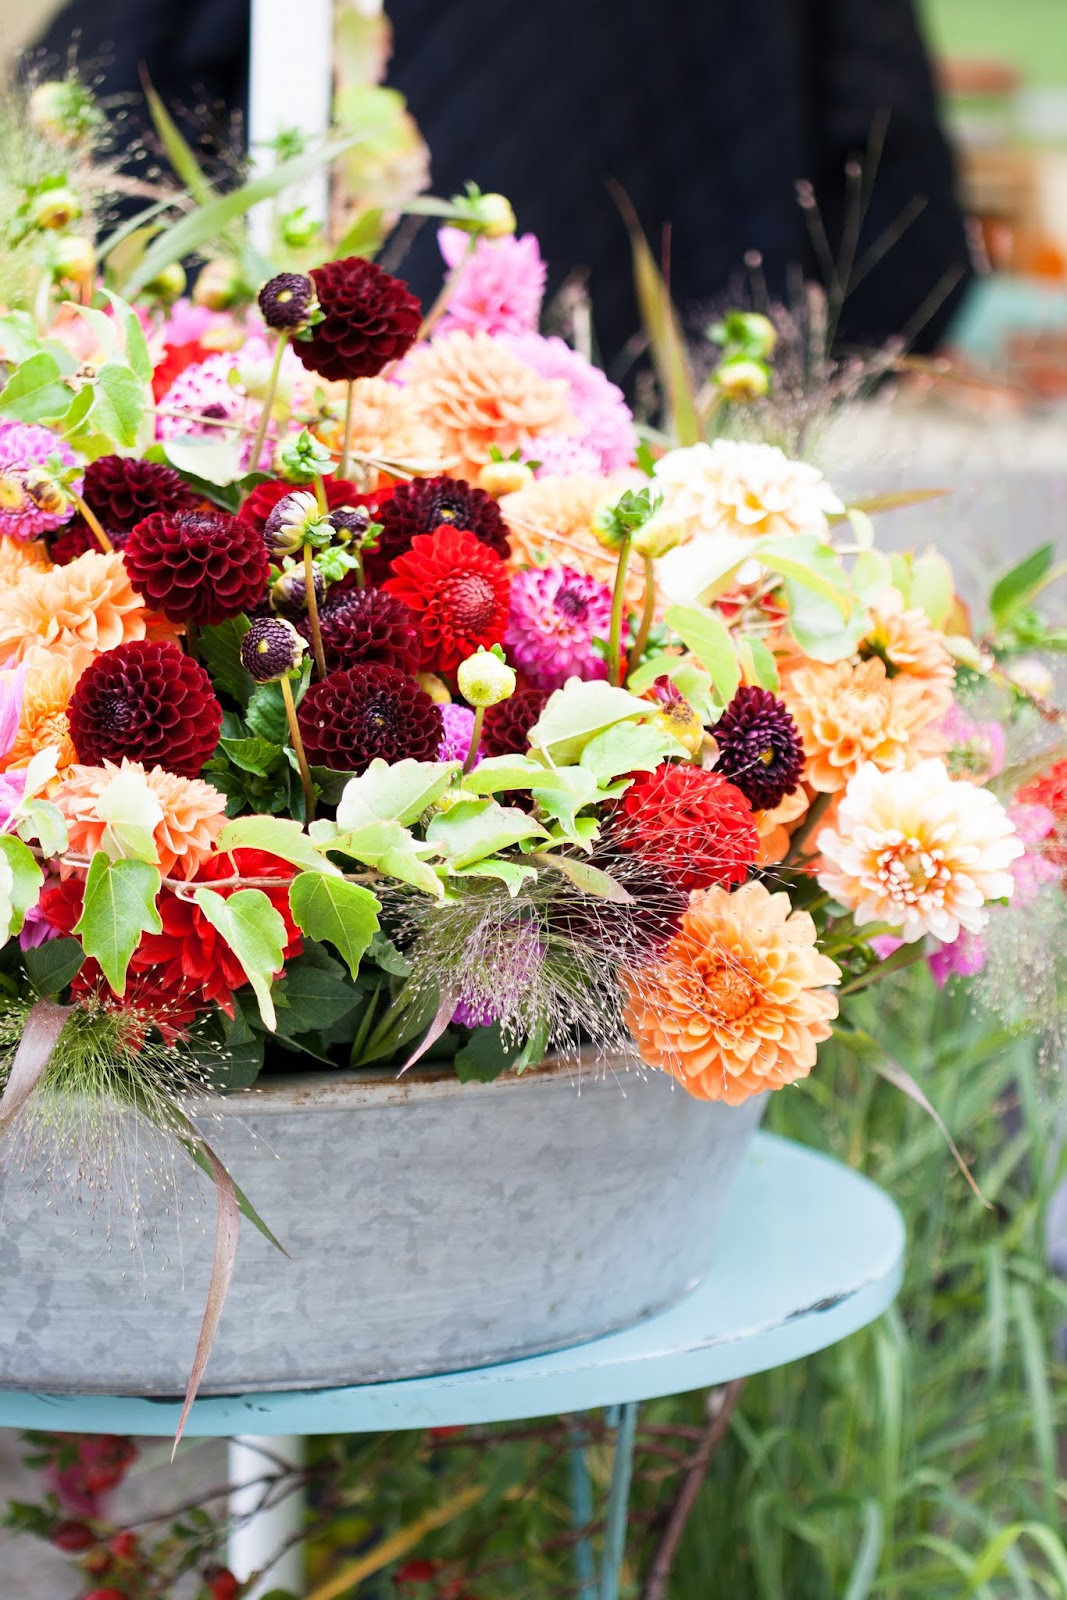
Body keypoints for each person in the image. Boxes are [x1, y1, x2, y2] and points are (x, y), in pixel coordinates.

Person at [31, 0, 973, 366]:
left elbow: (86, 91)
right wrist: (773, 394)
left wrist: (199, 334)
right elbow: (905, 214)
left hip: (351, 402)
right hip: (672, 440)